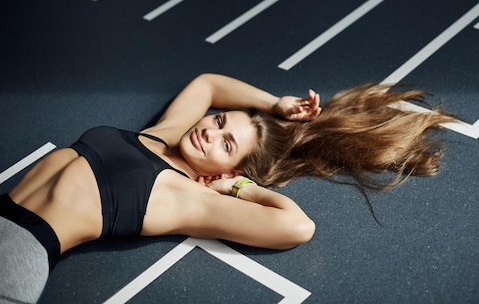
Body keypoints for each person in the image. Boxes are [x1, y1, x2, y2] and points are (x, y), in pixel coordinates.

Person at [0, 73, 455, 304]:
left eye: (226, 143)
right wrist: (273, 103)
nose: (210, 132)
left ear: (232, 166)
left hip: (18, 250)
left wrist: (238, 188)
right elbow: (208, 83)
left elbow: (298, 226)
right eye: (217, 121)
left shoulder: (187, 196)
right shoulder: (164, 134)